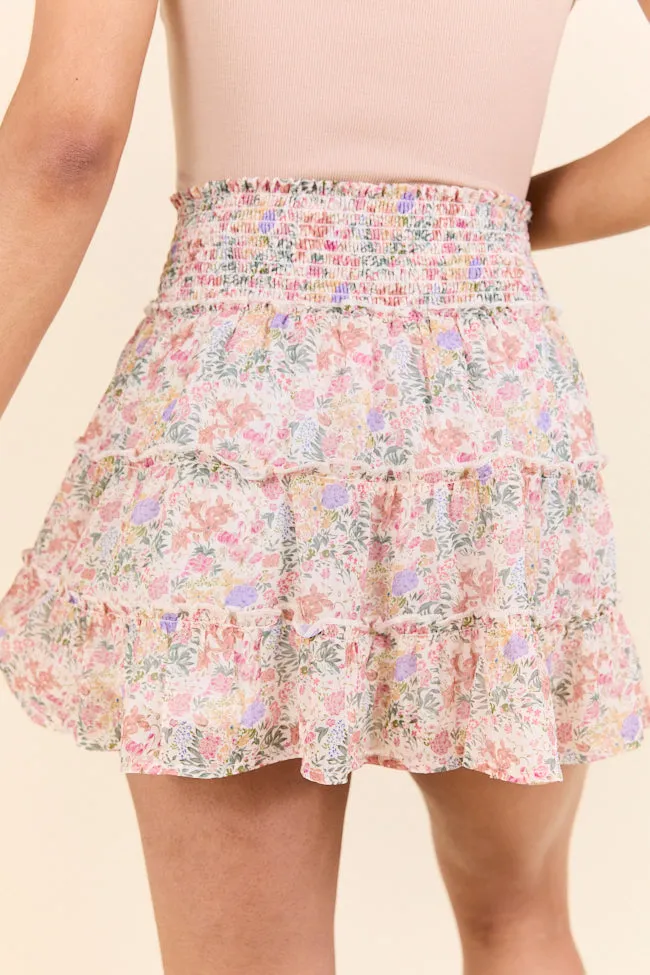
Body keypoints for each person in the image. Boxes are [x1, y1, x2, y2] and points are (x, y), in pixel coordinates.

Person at [0, 2, 649, 974]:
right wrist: (494, 217)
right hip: (486, 402)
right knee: (518, 920)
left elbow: (68, 140)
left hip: (243, 409)